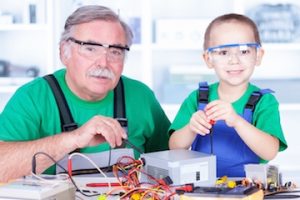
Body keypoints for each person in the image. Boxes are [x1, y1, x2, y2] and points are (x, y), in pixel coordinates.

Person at [0, 5, 170, 182]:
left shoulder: (141, 97)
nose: (103, 63)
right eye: (90, 48)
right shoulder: (33, 98)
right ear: (63, 52)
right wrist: (73, 139)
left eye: (115, 51)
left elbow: (171, 165)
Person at [168, 13, 287, 177]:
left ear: (258, 55)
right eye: (223, 52)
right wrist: (191, 127)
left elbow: (269, 152)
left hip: (248, 187)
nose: (234, 60)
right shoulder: (197, 98)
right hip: (200, 185)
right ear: (208, 59)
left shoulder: (265, 101)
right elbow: (174, 147)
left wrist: (237, 121)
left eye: (244, 51)